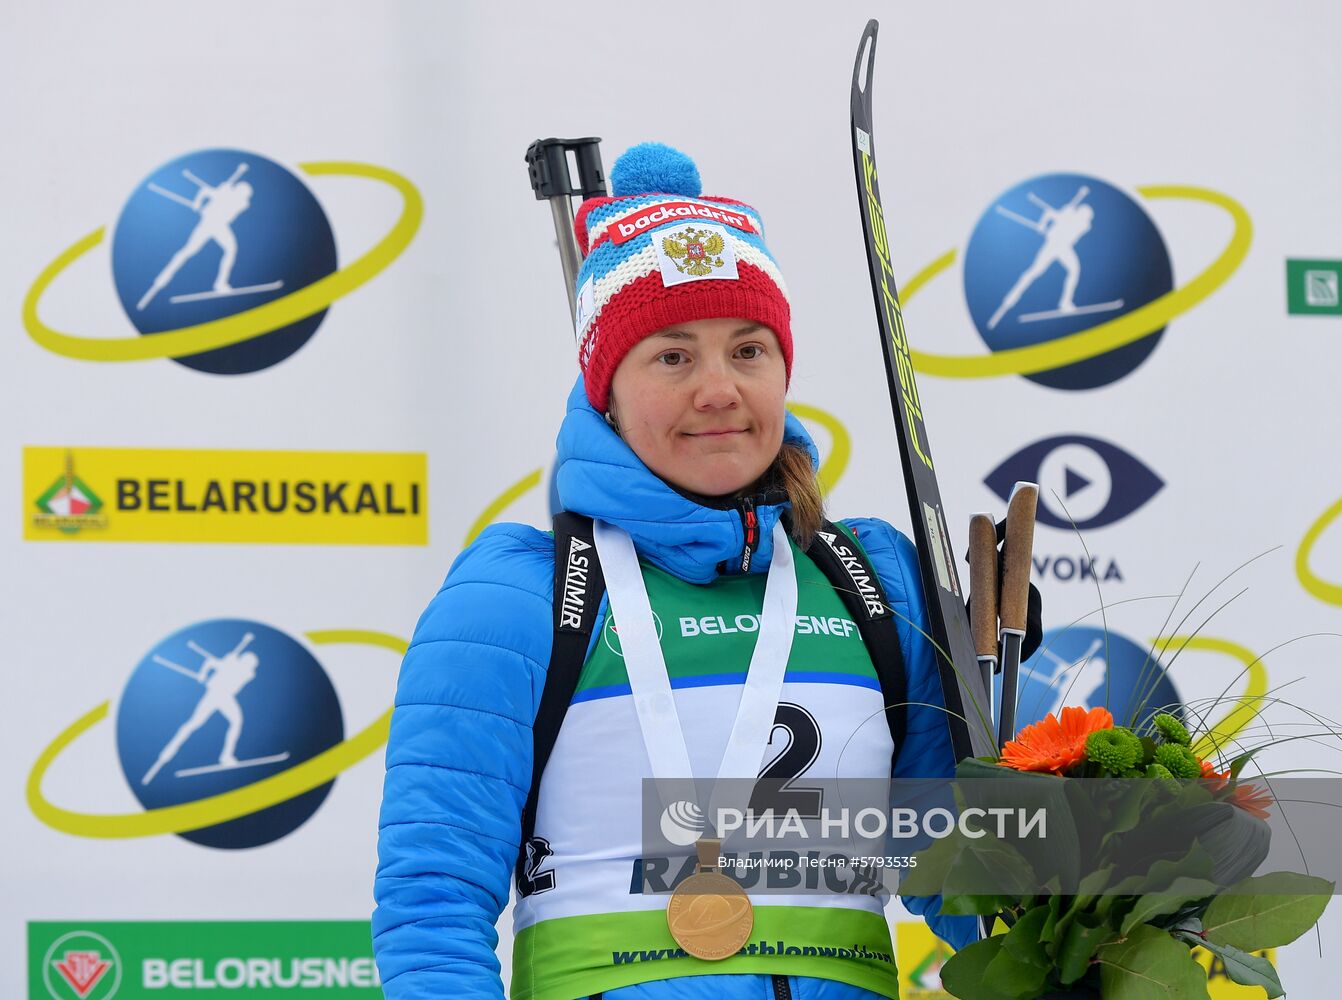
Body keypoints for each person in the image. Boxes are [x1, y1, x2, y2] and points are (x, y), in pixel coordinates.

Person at [373, 144, 995, 1000]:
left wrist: (1007, 708)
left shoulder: (871, 578)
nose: (718, 390)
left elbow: (959, 878)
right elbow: (434, 902)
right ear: (608, 390)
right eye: (672, 357)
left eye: (748, 351)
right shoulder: (519, 597)